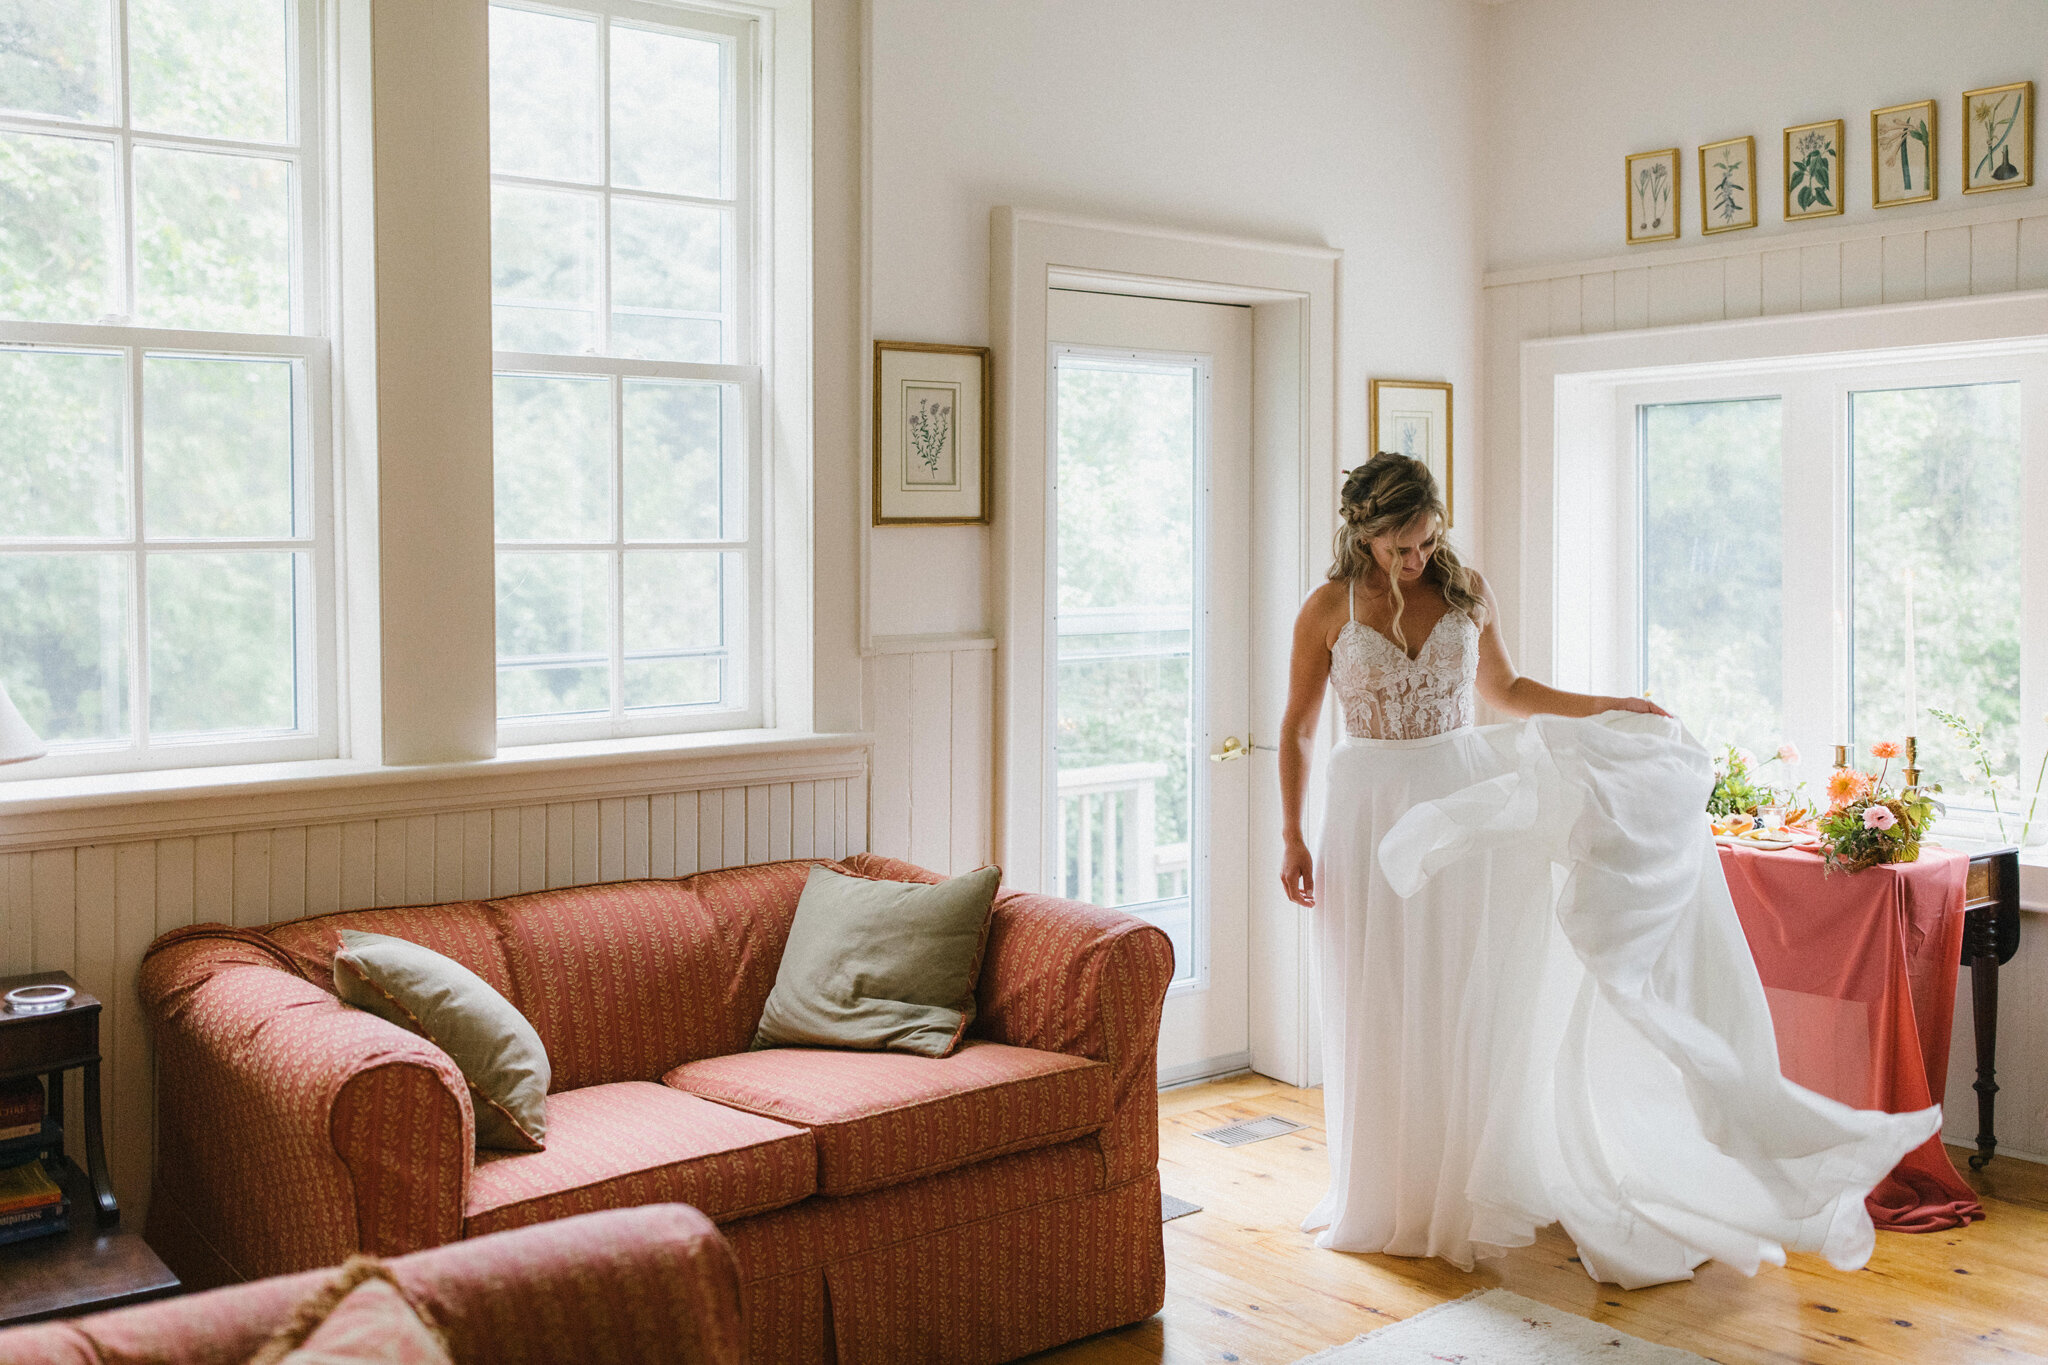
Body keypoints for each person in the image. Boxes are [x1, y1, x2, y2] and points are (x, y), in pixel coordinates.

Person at [1276, 453, 1937, 1289]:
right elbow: (1299, 728)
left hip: (1462, 805)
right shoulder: (1327, 608)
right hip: (1366, 814)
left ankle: (1456, 1189)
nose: (1413, 561)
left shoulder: (1467, 589)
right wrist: (1293, 834)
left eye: (1423, 542)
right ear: (1362, 532)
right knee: (1377, 995)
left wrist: (1609, 706)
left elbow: (1508, 690)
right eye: (1397, 547)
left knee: (1460, 996)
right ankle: (1381, 1191)